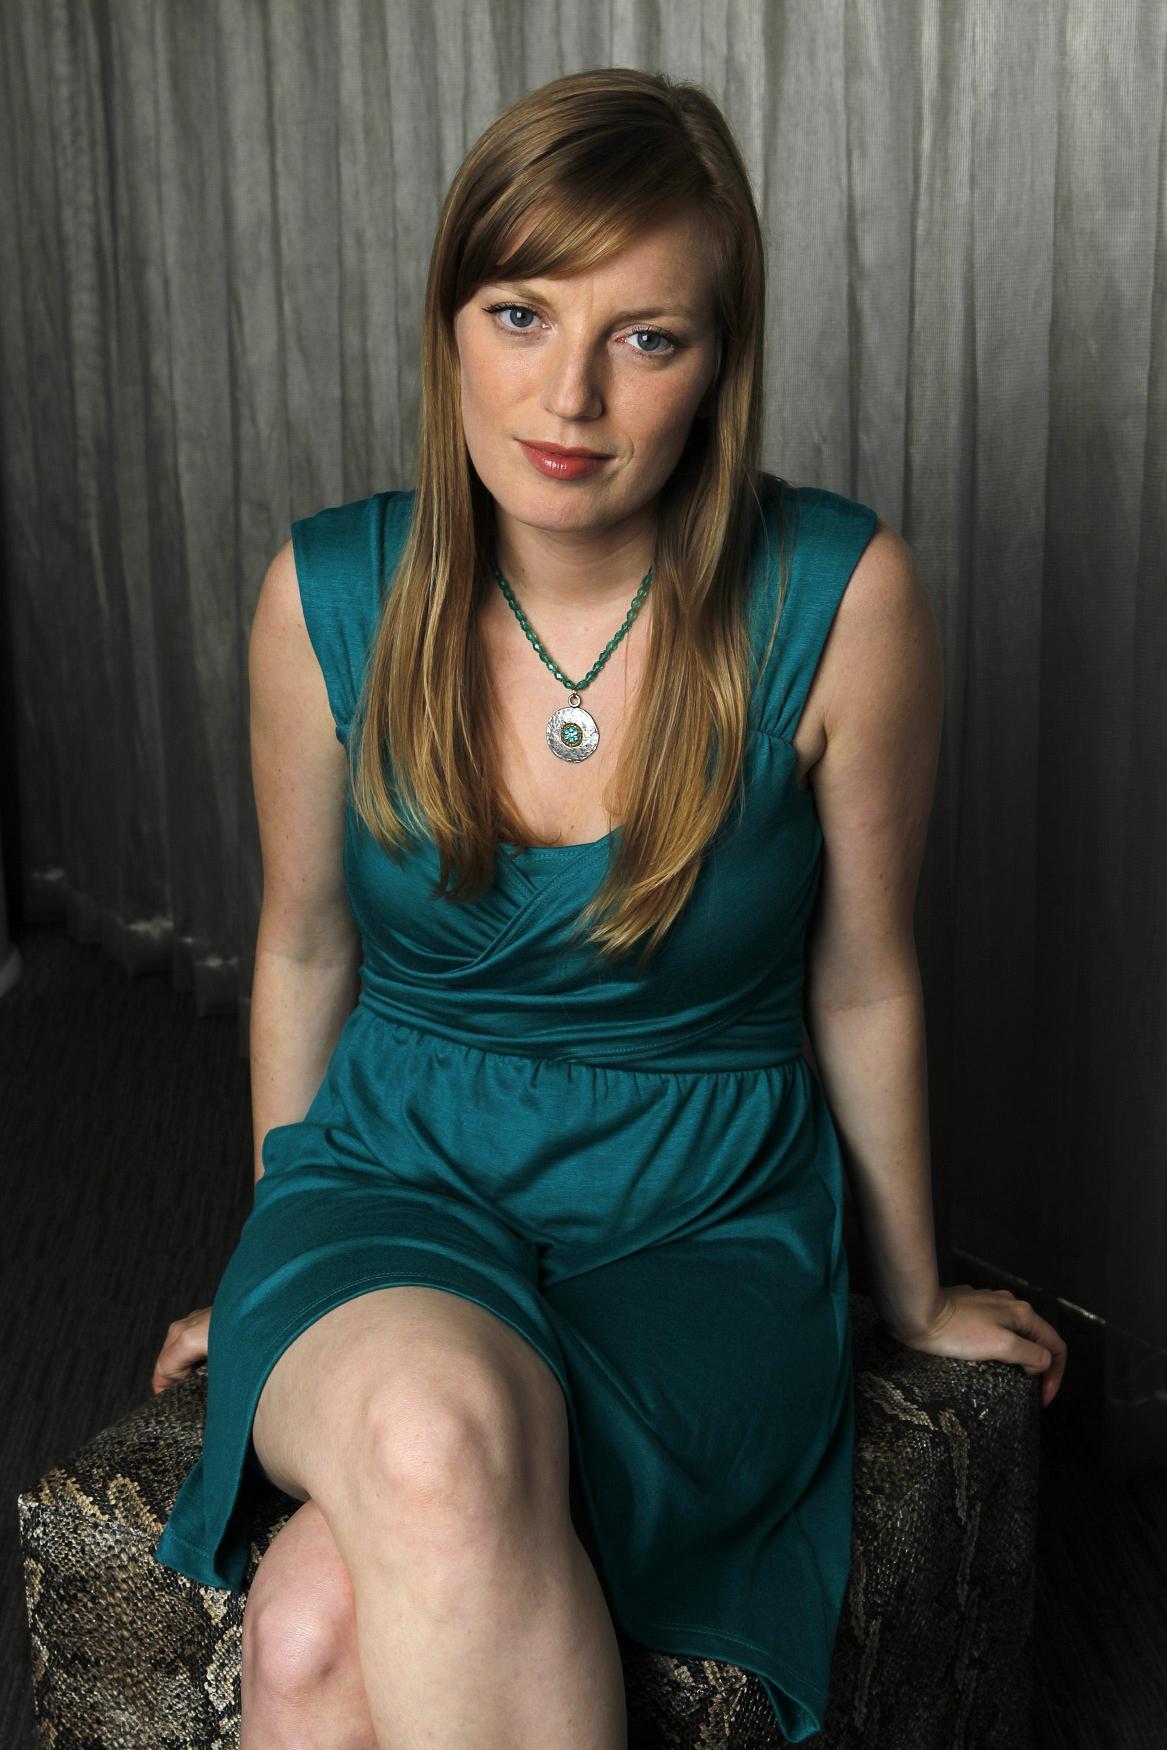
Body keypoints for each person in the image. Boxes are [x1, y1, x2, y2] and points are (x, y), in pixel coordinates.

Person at [149, 66, 1066, 1750]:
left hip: (703, 1226)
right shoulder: (326, 594)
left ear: (721, 364)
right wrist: (282, 1265)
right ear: (449, 326)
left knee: (311, 1632)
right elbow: (302, 944)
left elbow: (863, 977)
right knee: (420, 1441)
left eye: (647, 336)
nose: (569, 393)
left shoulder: (842, 595)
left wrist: (913, 1289)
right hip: (395, 1179)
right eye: (520, 313)